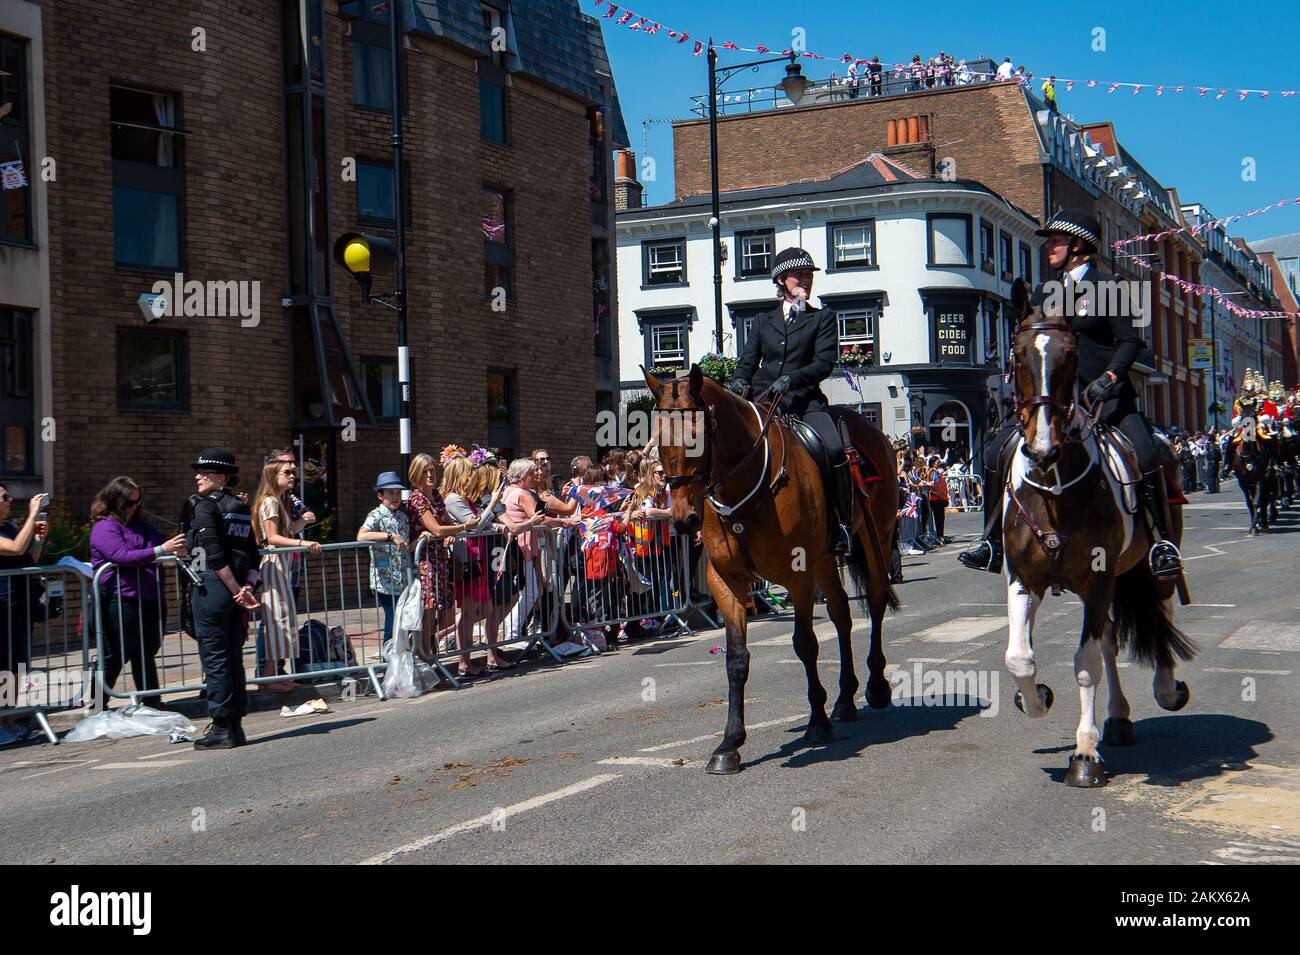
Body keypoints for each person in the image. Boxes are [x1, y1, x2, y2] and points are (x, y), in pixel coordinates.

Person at [958, 208, 1183, 578]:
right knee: (996, 451)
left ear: (1078, 246)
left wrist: (1109, 378)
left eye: (1056, 240)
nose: (1049, 246)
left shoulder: (1110, 288)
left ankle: (1161, 543)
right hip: (1053, 400)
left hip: (1105, 398)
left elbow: (1129, 342)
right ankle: (990, 542)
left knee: (1145, 454)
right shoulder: (1047, 291)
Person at [730, 247, 853, 554]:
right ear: (782, 280)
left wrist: (792, 379)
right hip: (763, 400)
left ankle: (840, 524)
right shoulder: (761, 322)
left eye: (809, 275)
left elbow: (824, 363)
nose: (806, 280)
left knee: (835, 448)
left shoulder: (822, 318)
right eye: (800, 275)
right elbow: (748, 361)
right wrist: (739, 379)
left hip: (804, 401)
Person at [185, 449, 260, 749]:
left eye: (206, 472)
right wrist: (248, 588)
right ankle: (236, 727)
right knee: (232, 658)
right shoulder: (239, 507)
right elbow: (253, 552)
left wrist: (235, 590)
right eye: (199, 472)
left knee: (215, 659)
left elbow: (215, 557)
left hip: (215, 589)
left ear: (222, 477)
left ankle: (221, 727)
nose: (198, 476)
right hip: (238, 588)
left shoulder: (205, 507)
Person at [89, 477, 185, 709]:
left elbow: (160, 545)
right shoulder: (105, 526)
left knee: (145, 652)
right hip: (121, 599)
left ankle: (152, 701)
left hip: (149, 597)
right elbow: (121, 556)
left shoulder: (141, 526)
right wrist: (160, 550)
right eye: (128, 503)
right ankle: (97, 704)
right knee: (115, 654)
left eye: (136, 503)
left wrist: (169, 548)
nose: (132, 508)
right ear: (114, 501)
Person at [251, 457, 321, 690]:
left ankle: (273, 675)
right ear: (273, 475)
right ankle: (268, 679)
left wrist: (301, 523)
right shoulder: (270, 501)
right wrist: (302, 544)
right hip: (274, 563)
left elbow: (287, 530)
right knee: (276, 620)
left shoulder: (278, 501)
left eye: (293, 472)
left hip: (281, 562)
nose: (292, 476)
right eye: (287, 472)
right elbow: (272, 537)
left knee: (282, 619)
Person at [442, 455, 514, 672]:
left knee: (488, 607)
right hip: (467, 558)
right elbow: (472, 527)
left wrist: (497, 527)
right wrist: (493, 501)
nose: (473, 476)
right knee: (469, 611)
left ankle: (487, 655)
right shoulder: (453, 499)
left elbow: (481, 524)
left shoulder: (465, 499)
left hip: (478, 555)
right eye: (469, 471)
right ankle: (464, 661)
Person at [408, 451, 476, 671]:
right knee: (429, 611)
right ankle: (426, 662)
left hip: (441, 559)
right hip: (426, 562)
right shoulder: (416, 498)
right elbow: (436, 528)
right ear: (416, 474)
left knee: (443, 613)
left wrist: (451, 532)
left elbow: (445, 523)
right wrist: (462, 527)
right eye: (425, 471)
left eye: (432, 471)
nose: (430, 475)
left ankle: (428, 655)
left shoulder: (436, 495)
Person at [0, 485, 45, 745]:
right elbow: (16, 548)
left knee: (17, 665)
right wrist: (32, 514)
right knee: (3, 665)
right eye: (4, 497)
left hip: (19, 602)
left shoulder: (7, 526)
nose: (10, 500)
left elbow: (28, 555)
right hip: (2, 604)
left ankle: (10, 720)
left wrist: (38, 535)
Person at [356, 471, 410, 650]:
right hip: (384, 580)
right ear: (380, 495)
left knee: (402, 619)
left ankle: (399, 655)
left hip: (401, 579)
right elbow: (361, 536)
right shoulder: (376, 515)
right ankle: (389, 658)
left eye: (397, 493)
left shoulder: (402, 517)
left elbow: (406, 545)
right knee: (392, 618)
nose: (395, 497)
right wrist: (389, 536)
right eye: (390, 493)